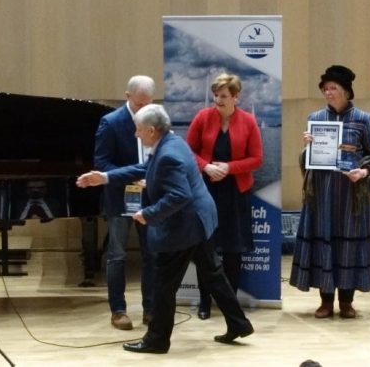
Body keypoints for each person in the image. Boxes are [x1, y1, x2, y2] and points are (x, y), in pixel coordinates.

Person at [77, 104, 254, 354]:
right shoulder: (173, 142)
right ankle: (238, 324)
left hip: (186, 225)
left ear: (151, 130)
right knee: (213, 273)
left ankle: (157, 340)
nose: (136, 134)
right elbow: (146, 169)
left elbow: (179, 195)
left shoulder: (168, 154)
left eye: (138, 130)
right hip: (200, 217)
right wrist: (105, 177)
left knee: (163, 283)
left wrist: (148, 214)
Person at [289, 65, 370, 319]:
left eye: (333, 88)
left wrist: (363, 172)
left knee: (348, 246)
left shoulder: (363, 119)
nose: (328, 93)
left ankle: (347, 301)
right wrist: (307, 148)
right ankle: (326, 301)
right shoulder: (316, 118)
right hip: (322, 194)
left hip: (351, 195)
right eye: (325, 88)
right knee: (325, 242)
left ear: (346, 91)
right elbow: (308, 160)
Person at [186, 73, 263, 320]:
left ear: (236, 97)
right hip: (206, 191)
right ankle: (204, 301)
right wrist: (207, 167)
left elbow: (257, 159)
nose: (218, 100)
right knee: (205, 249)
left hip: (236, 193)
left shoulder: (248, 121)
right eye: (216, 96)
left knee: (233, 251)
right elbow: (187, 151)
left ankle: (229, 302)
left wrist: (229, 168)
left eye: (223, 96)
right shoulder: (203, 117)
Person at [93, 75, 156, 330]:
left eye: (148, 103)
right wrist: (132, 177)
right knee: (117, 255)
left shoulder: (155, 118)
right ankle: (118, 310)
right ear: (127, 97)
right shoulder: (110, 122)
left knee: (151, 253)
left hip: (149, 198)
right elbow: (102, 163)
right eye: (139, 104)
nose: (144, 109)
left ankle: (150, 309)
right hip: (120, 198)